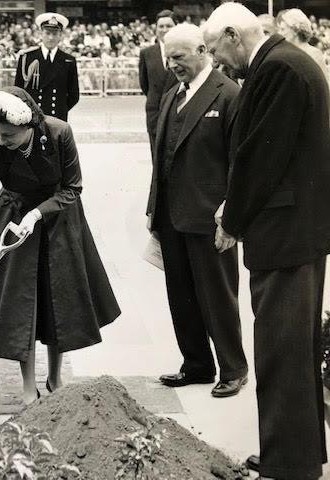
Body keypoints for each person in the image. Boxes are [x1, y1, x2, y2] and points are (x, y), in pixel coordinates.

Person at [203, 4, 330, 478]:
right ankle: (296, 454)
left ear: (235, 35)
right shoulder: (290, 61)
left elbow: (260, 158)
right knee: (294, 352)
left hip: (285, 236)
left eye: (217, 51)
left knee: (281, 353)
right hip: (299, 232)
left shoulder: (275, 68)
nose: (219, 64)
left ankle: (288, 464)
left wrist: (231, 221)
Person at [0, 87, 120, 405]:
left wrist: (38, 213)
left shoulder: (59, 132)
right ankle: (27, 384)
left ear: (29, 126)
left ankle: (55, 376)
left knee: (57, 301)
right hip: (14, 220)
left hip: (60, 218)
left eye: (8, 135)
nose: (0, 140)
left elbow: (73, 187)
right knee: (23, 305)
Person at [146, 24, 247, 397]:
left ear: (203, 50)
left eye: (179, 57)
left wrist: (230, 214)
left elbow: (240, 160)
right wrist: (153, 209)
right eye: (168, 57)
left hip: (210, 217)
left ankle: (233, 368)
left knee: (218, 295)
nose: (171, 64)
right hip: (172, 215)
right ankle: (197, 364)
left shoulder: (228, 94)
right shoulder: (173, 94)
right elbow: (162, 157)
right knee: (182, 295)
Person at [14, 12, 79, 121]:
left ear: (60, 36)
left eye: (55, 34)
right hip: (33, 118)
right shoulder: (27, 57)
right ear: (41, 33)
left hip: (57, 118)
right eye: (47, 33)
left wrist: (60, 109)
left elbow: (74, 95)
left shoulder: (68, 60)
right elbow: (18, 90)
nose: (51, 37)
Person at [139, 10, 179, 151]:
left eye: (169, 26)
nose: (164, 30)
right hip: (155, 112)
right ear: (155, 29)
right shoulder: (147, 54)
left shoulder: (185, 51)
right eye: (161, 26)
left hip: (178, 112)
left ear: (176, 27)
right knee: (156, 157)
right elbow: (144, 84)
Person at [276, 8, 329, 82]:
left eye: (282, 29)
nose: (279, 33)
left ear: (295, 31)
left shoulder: (314, 54)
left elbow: (325, 85)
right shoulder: (286, 53)